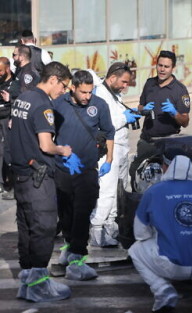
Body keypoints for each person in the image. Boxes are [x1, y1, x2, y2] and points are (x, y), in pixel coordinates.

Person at [9, 61, 73, 302]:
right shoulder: (42, 105)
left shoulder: (22, 98)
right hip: (39, 177)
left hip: (21, 175)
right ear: (53, 79)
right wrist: (63, 150)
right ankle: (39, 285)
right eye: (64, 86)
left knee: (26, 227)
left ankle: (27, 281)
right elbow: (46, 145)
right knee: (44, 228)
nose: (64, 91)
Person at [128, 155, 192, 312]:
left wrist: (157, 234)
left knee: (135, 250)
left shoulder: (154, 191)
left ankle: (163, 291)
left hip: (172, 264)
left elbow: (140, 233)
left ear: (167, 168)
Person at [53, 70, 115, 280]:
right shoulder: (58, 103)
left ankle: (78, 259)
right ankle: (70, 247)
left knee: (82, 212)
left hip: (87, 169)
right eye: (83, 92)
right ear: (73, 88)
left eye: (90, 92)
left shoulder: (99, 105)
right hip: (63, 168)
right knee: (66, 212)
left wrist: (109, 160)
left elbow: (109, 132)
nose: (87, 96)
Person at [89, 62, 139, 247]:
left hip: (120, 148)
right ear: (112, 78)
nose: (126, 86)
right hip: (110, 149)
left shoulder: (113, 94)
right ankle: (97, 229)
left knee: (116, 193)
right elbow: (105, 123)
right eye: (124, 82)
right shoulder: (101, 94)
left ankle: (109, 228)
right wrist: (125, 117)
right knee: (107, 192)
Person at [128, 50, 190, 190]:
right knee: (136, 175)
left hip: (168, 143)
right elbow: (140, 105)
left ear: (172, 68)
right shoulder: (150, 84)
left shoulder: (179, 90)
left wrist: (174, 113)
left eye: (166, 67)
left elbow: (185, 121)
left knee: (165, 182)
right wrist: (142, 110)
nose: (162, 69)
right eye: (160, 65)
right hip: (146, 141)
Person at [0, 57, 19, 200]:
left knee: (8, 151)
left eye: (0, 70)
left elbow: (22, 101)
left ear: (7, 68)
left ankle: (12, 185)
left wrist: (10, 100)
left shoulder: (16, 83)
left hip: (8, 120)